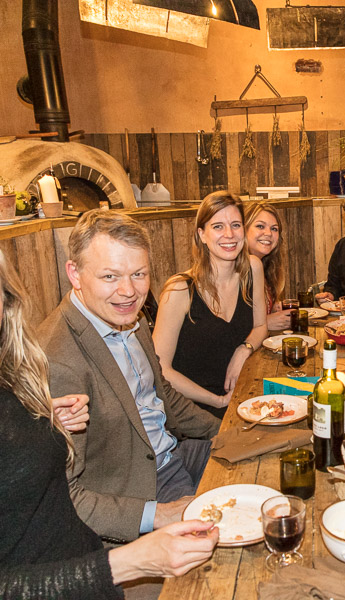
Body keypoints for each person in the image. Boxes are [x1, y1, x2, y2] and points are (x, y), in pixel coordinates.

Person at [0, 223, 218, 599]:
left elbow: (11, 482)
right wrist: (132, 560)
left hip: (83, 571)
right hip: (91, 572)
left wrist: (45, 425)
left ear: (5, 302)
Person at [37, 210, 221, 544]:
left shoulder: (125, 316)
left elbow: (163, 395)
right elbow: (64, 496)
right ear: (74, 274)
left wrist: (224, 433)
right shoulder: (58, 361)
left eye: (139, 274)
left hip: (173, 453)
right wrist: (159, 514)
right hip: (139, 492)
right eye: (110, 277)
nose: (128, 291)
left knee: (263, 469)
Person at [153, 191, 268, 420]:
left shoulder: (252, 269)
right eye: (217, 226)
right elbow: (161, 370)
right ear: (201, 234)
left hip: (242, 401)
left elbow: (261, 326)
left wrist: (243, 350)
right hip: (193, 413)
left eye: (235, 225)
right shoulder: (178, 290)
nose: (229, 234)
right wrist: (218, 401)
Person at [245, 201, 292, 331]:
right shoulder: (234, 271)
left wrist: (272, 308)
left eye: (274, 229)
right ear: (243, 230)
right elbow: (223, 328)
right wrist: (266, 323)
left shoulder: (266, 268)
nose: (269, 233)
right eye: (260, 226)